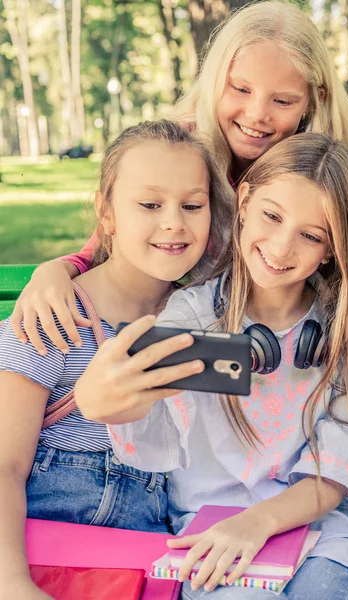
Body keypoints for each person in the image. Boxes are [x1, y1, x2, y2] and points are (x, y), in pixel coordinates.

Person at [10, 1, 348, 394]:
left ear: (312, 101)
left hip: (304, 388)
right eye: (240, 89)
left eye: (282, 100)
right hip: (199, 384)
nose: (257, 114)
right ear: (215, 82)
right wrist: (57, 270)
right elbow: (111, 240)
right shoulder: (181, 150)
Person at [74, 133, 348, 599]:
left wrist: (259, 524)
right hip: (215, 535)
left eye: (311, 236)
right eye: (271, 216)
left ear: (331, 249)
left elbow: (341, 469)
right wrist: (103, 400)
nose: (281, 246)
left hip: (323, 535)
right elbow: (143, 411)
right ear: (245, 201)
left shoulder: (345, 331)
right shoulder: (191, 316)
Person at [0, 120, 233, 600]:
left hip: (145, 576)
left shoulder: (204, 330)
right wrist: (12, 583)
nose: (174, 221)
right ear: (106, 214)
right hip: (43, 567)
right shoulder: (55, 316)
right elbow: (4, 464)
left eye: (193, 205)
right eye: (149, 205)